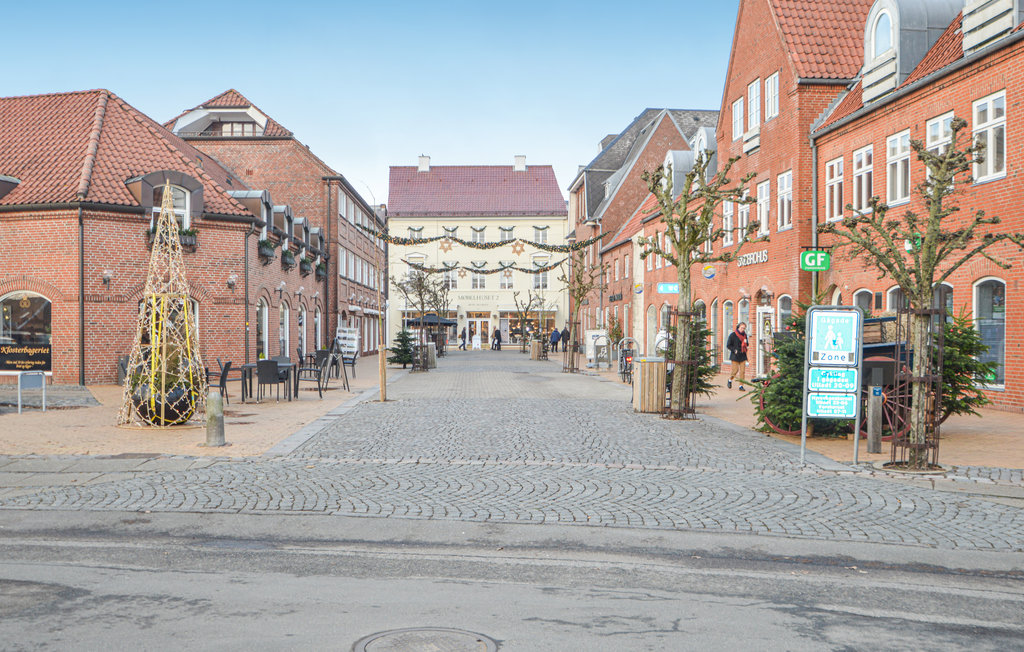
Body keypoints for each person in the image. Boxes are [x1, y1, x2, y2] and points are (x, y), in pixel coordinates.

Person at [726, 322, 749, 391]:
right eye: (741, 328)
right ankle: (730, 379)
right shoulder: (733, 335)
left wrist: (745, 344)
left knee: (742, 371)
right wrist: (734, 350)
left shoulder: (745, 335)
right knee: (735, 370)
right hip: (735, 355)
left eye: (744, 328)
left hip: (742, 355)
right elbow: (728, 345)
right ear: (738, 327)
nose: (743, 329)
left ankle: (741, 386)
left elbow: (747, 344)